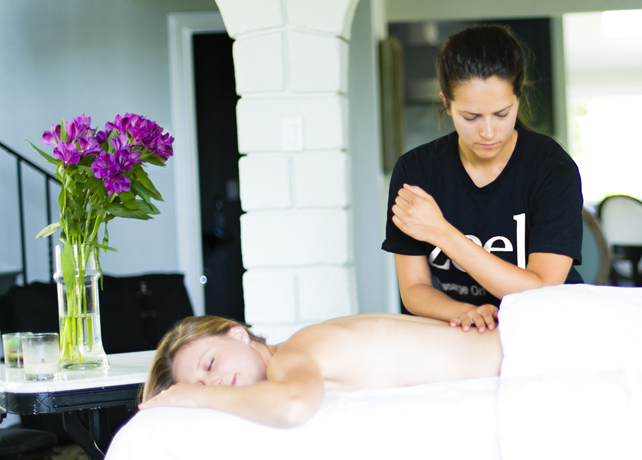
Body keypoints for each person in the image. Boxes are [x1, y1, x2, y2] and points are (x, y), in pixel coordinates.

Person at [382, 25, 584, 334]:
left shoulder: (551, 169)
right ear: (446, 103)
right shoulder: (416, 171)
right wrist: (466, 312)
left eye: (502, 114)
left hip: (548, 329)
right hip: (461, 329)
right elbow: (413, 287)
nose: (488, 133)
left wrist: (443, 233)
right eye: (471, 117)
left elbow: (542, 290)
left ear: (519, 97)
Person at [139, 314, 502, 428]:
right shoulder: (301, 346)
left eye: (210, 364)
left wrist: (197, 395)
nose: (214, 382)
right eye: (201, 382)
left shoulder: (292, 356)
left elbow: (293, 406)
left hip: (527, 347)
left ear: (238, 334)